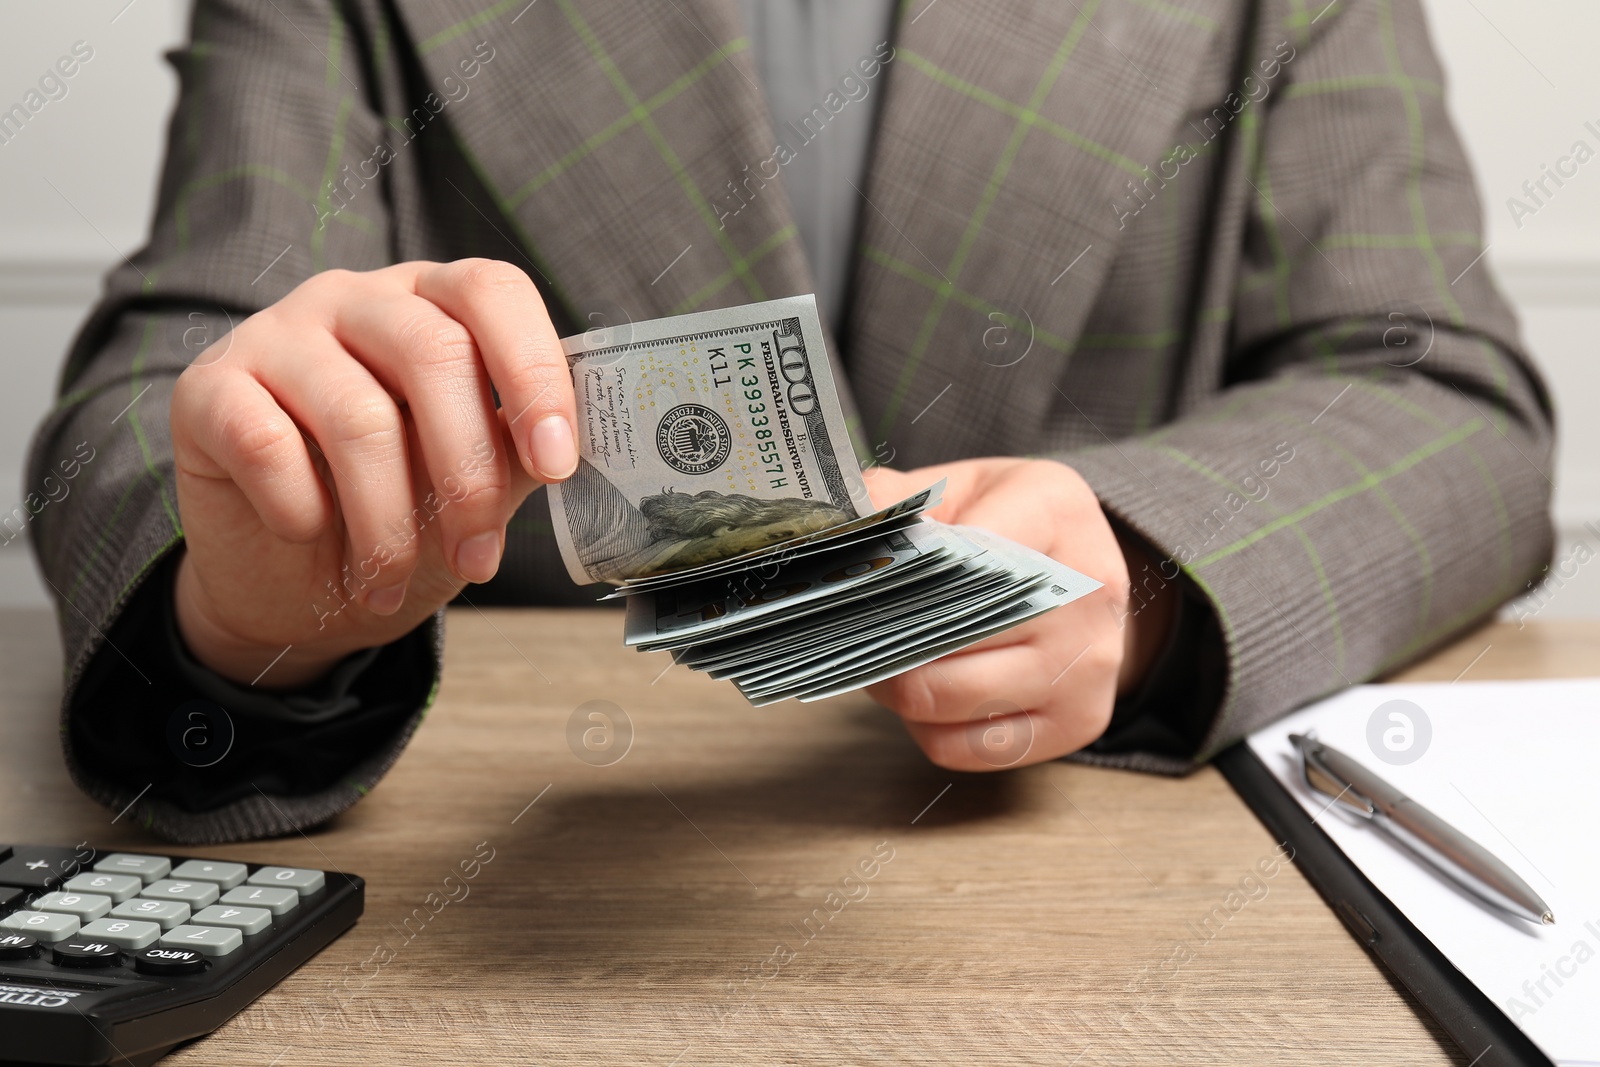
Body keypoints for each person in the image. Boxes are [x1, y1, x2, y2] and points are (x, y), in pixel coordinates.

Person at [26, 0, 1553, 843]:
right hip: (496, 878)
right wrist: (248, 608)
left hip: (1112, 887)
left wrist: (1145, 575)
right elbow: (161, 378)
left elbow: (1443, 390)